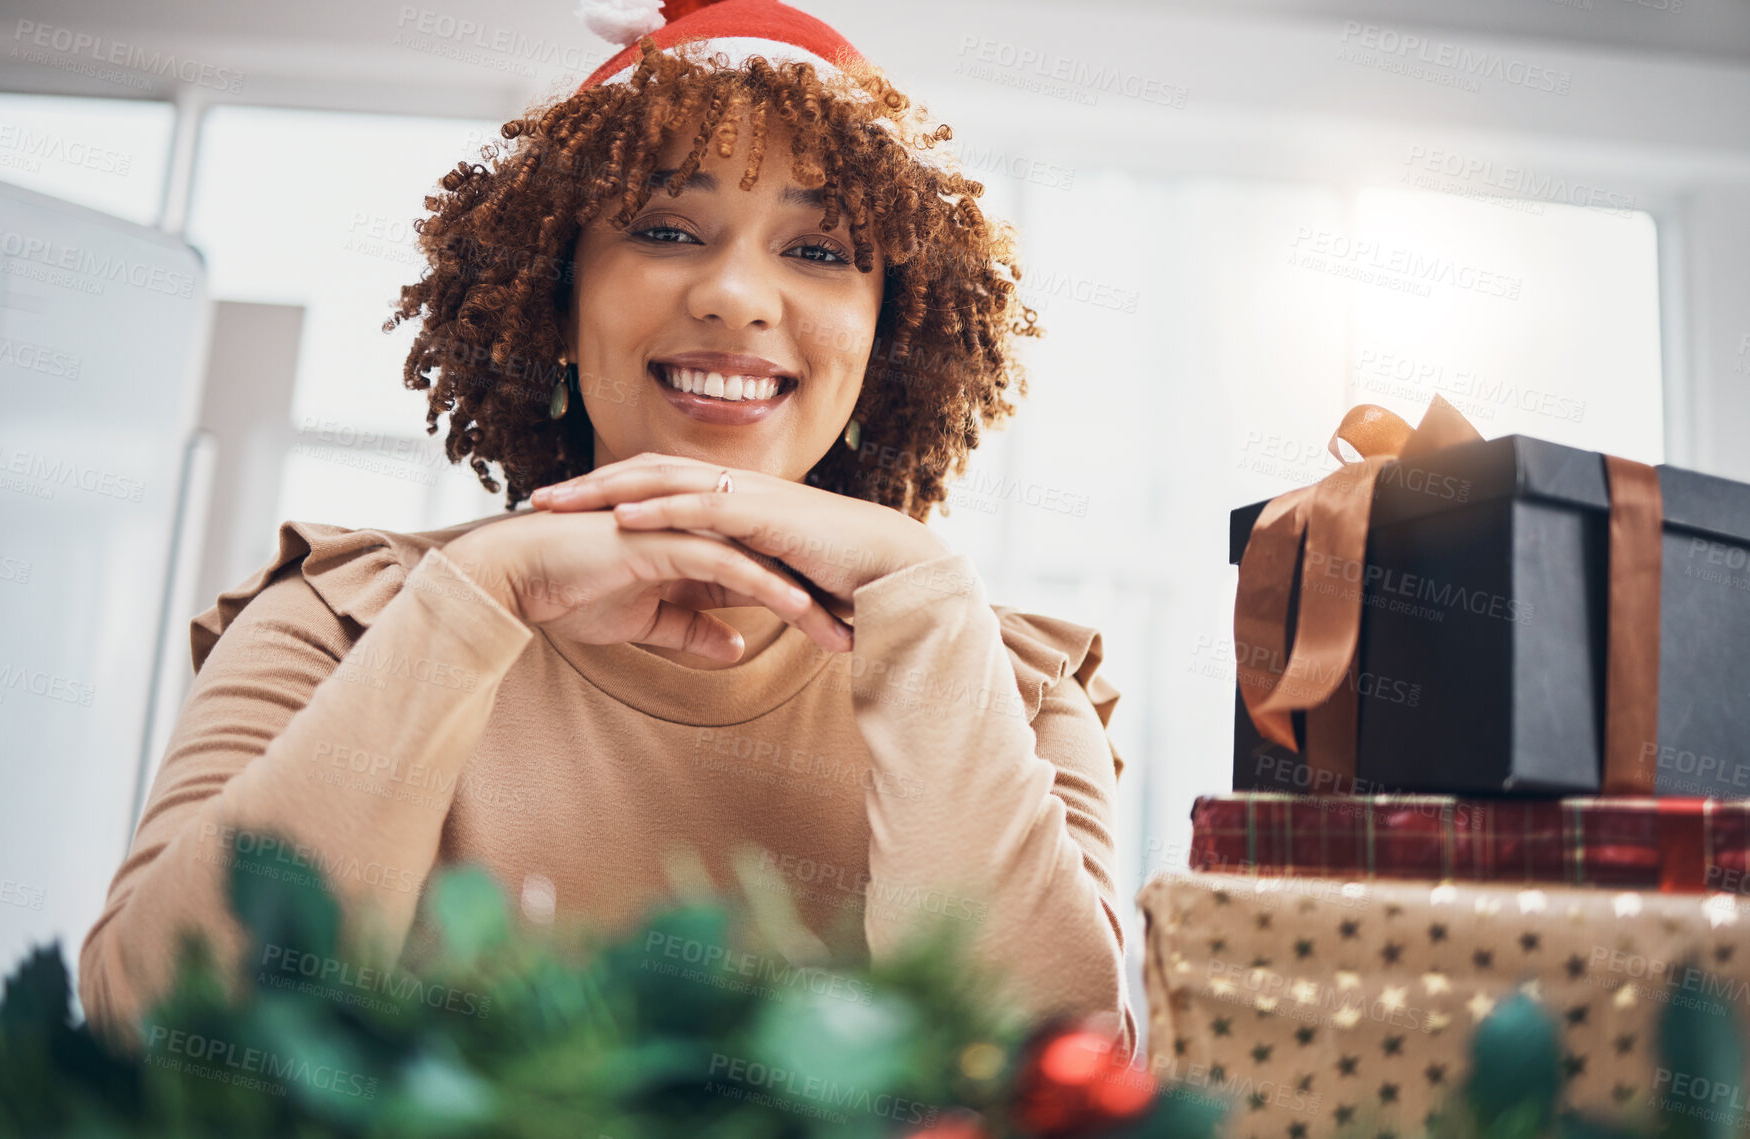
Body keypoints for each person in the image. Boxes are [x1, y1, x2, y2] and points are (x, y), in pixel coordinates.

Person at [79, 0, 1136, 1060]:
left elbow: (1066, 1085)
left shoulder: (1007, 682)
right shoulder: (342, 618)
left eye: (818, 249)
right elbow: (155, 1030)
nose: (734, 295)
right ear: (556, 295)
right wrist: (469, 606)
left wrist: (932, 614)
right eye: (667, 230)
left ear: (887, 334)